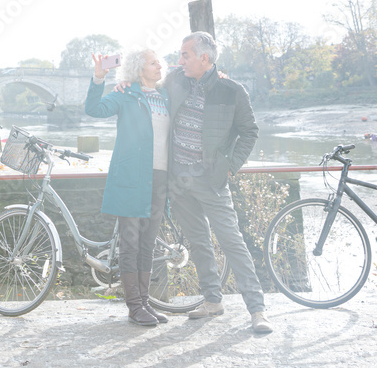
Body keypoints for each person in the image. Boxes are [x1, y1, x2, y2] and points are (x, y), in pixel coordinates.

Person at [166, 31, 272, 334]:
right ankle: (213, 301)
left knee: (232, 242)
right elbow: (147, 84)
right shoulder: (175, 81)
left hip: (211, 180)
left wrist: (229, 167)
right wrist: (120, 82)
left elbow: (250, 131)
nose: (180, 60)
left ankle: (257, 310)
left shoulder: (232, 90)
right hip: (179, 180)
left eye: (185, 55)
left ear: (204, 58)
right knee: (199, 242)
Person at [85, 49, 170, 327]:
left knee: (148, 242)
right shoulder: (125, 94)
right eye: (153, 63)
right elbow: (94, 109)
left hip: (159, 178)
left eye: (159, 62)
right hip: (131, 176)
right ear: (138, 68)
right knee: (130, 242)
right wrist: (99, 78)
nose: (159, 66)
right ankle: (134, 306)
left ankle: (145, 302)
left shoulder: (166, 96)